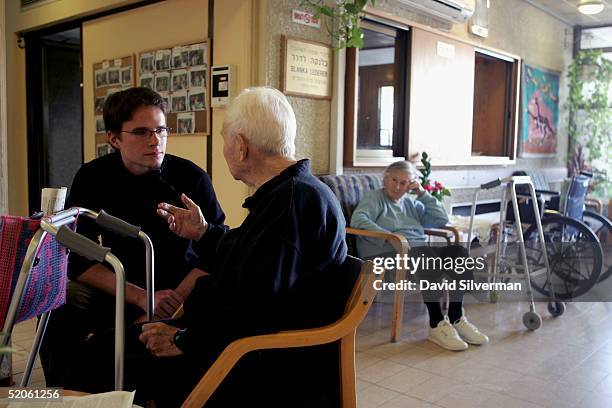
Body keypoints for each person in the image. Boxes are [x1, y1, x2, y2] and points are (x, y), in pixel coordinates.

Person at [62, 87, 348, 407]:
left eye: (226, 138)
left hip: (252, 359)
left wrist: (183, 338)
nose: (155, 140)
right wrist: (205, 233)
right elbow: (251, 262)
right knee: (100, 346)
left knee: (96, 359)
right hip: (222, 336)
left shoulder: (291, 204)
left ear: (240, 146)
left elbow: (258, 308)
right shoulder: (291, 193)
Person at [40, 87, 225, 386]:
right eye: (141, 132)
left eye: (161, 130)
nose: (155, 141)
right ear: (114, 139)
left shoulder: (191, 178)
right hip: (124, 286)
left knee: (121, 355)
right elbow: (75, 260)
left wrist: (169, 302)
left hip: (183, 290)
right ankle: (63, 395)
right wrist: (142, 298)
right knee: (56, 305)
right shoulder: (93, 177)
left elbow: (218, 252)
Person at [350, 160, 488, 351]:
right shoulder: (374, 198)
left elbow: (441, 219)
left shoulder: (411, 202)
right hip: (387, 254)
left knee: (458, 253)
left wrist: (422, 194)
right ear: (385, 179)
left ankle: (456, 317)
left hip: (415, 253)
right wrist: (390, 237)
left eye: (404, 182)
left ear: (411, 185)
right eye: (394, 180)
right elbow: (359, 220)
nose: (398, 186)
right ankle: (436, 323)